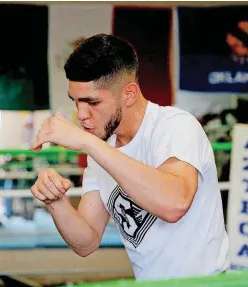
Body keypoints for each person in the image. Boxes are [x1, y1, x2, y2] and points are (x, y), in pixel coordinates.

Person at [29, 34, 230, 280]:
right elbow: (86, 242)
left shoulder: (175, 126)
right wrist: (55, 202)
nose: (81, 114)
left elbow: (174, 203)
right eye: (76, 101)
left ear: (129, 94)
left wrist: (87, 142)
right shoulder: (100, 150)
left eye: (92, 102)